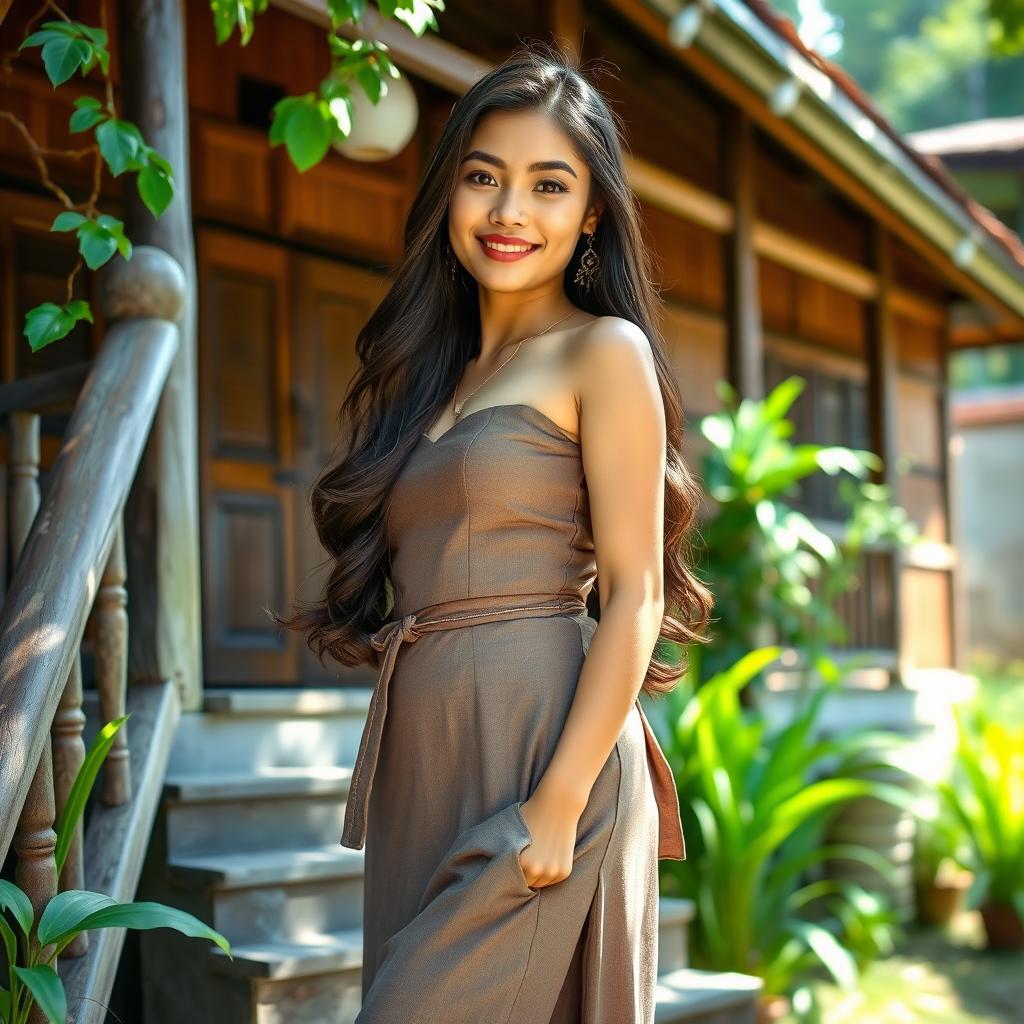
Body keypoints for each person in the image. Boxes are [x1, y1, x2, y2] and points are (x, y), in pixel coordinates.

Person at [272, 39, 713, 1024]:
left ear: (591, 211)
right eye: (484, 177)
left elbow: (634, 594)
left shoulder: (604, 351)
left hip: (542, 741)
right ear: (451, 195)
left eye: (547, 185)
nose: (509, 212)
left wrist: (556, 801)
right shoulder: (432, 379)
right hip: (423, 749)